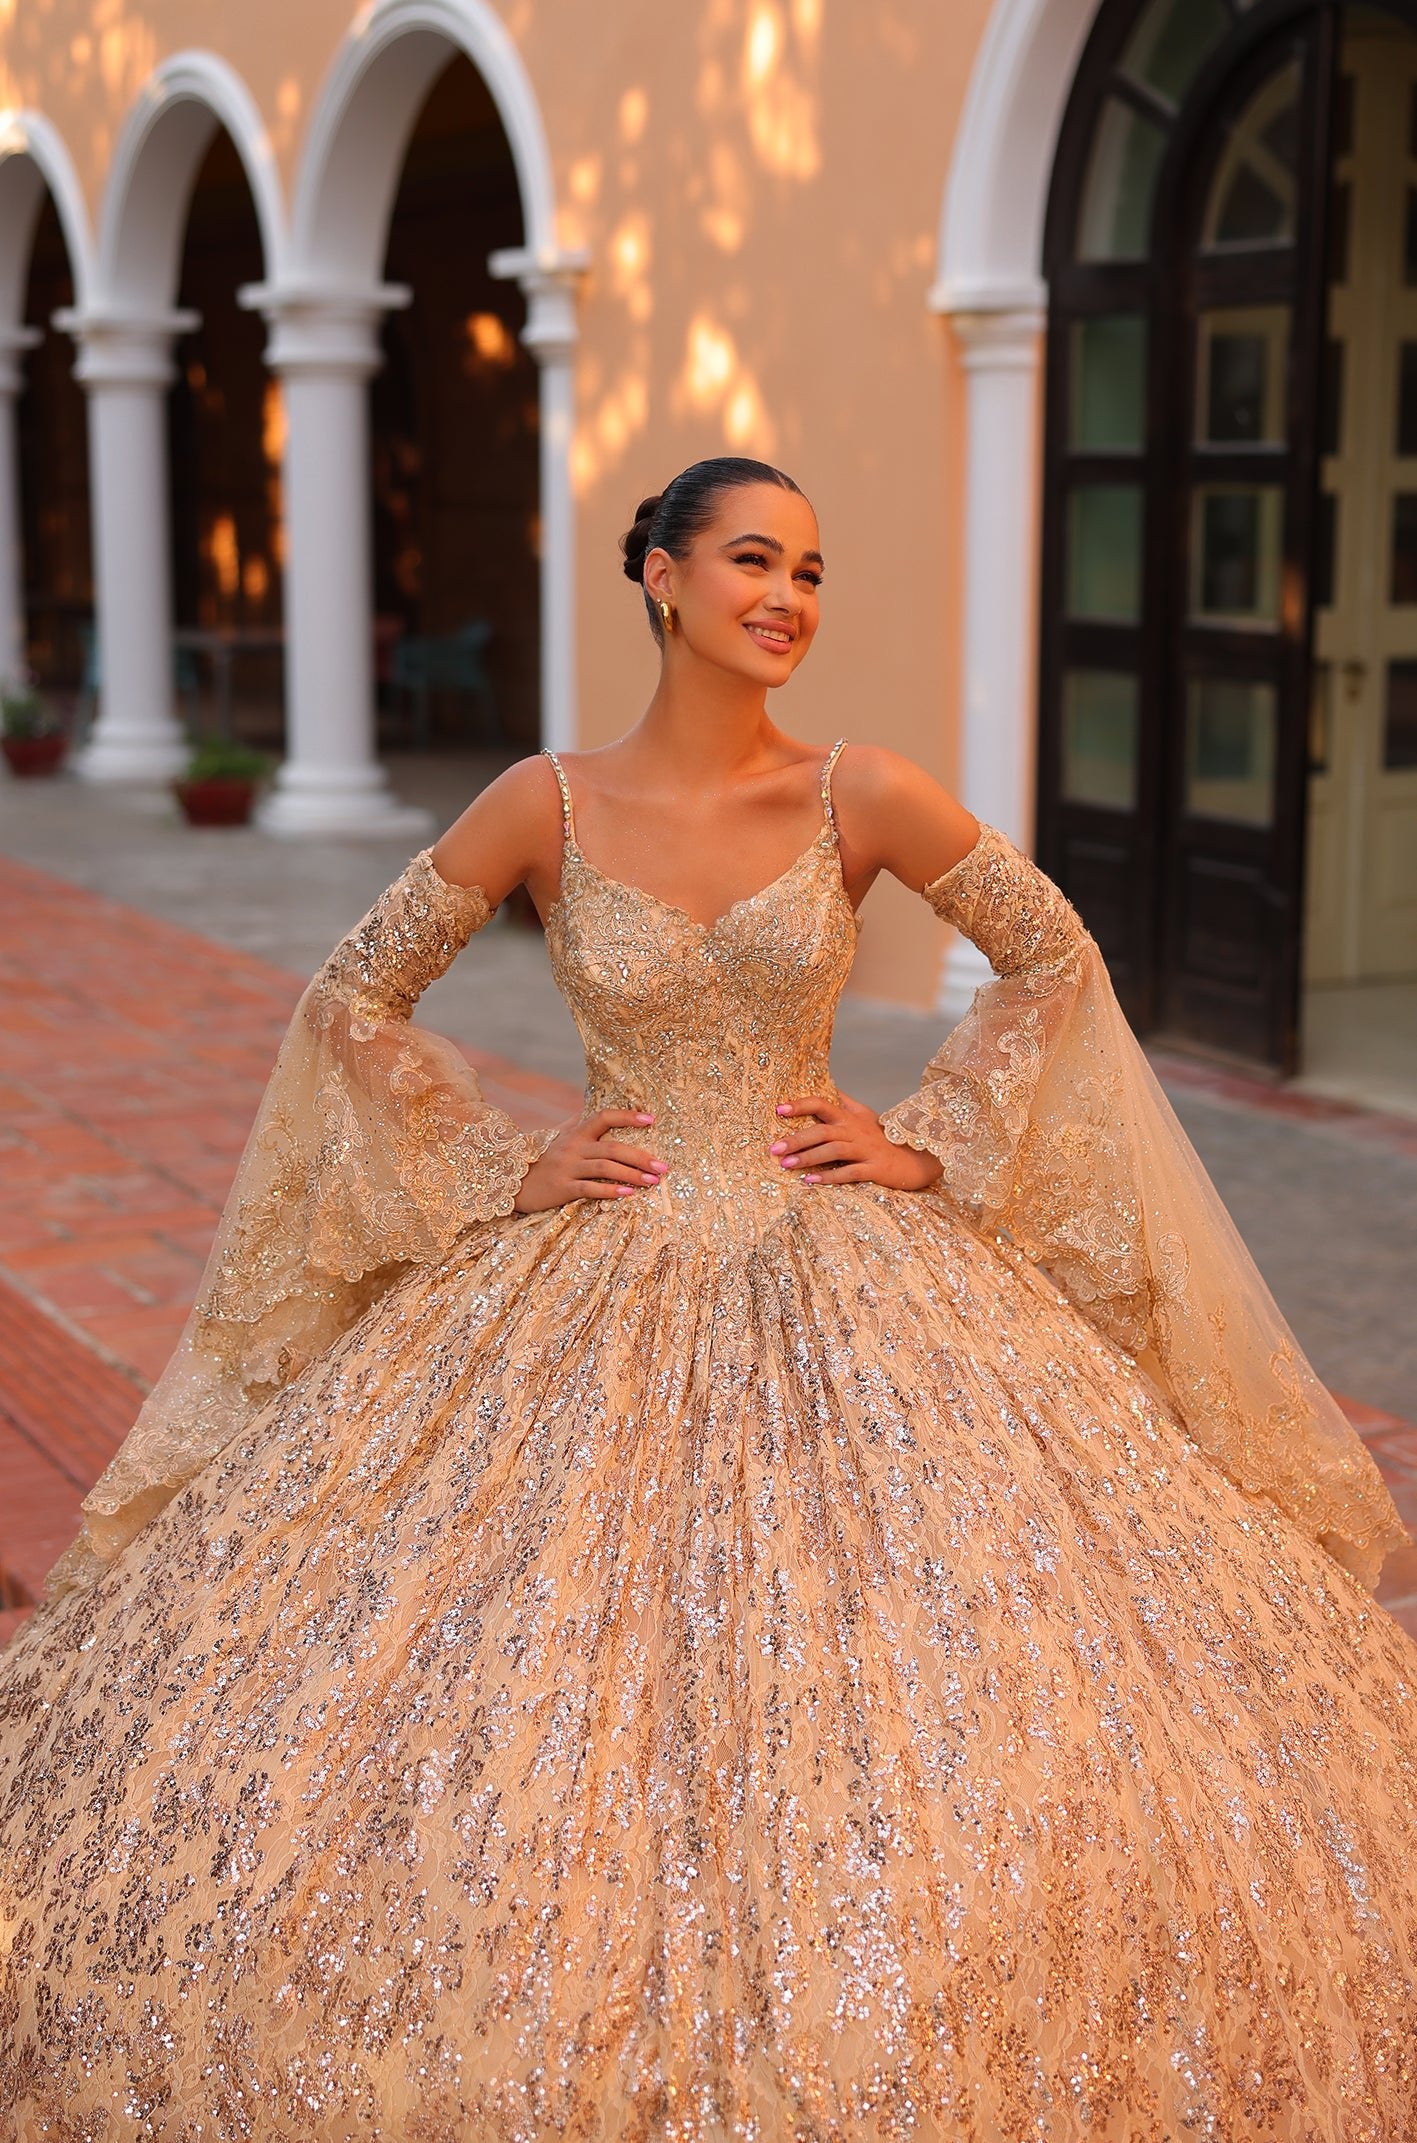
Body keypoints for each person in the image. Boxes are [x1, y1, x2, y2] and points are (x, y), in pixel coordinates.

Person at [0, 455, 1413, 2140]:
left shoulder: (857, 791)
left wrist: (931, 1143)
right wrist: (491, 1167)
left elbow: (1054, 957)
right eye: (752, 559)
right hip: (603, 1253)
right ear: (660, 576)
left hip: (838, 1260)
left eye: (808, 570)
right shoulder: (542, 802)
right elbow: (353, 997)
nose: (787, 597)